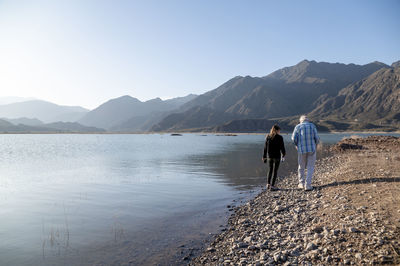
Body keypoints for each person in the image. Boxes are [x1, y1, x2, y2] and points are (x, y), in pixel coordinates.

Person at [291, 115, 320, 191]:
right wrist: (315, 145)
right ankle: (308, 185)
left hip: (301, 150)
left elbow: (293, 138)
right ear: (308, 120)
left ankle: (301, 183)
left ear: (301, 120)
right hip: (312, 149)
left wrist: (297, 145)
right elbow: (317, 138)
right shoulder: (312, 126)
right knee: (310, 167)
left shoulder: (298, 127)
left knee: (301, 167)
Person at [262, 124, 286, 191]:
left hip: (269, 157)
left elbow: (265, 148)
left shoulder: (268, 137)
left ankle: (268, 184)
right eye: (279, 130)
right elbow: (282, 147)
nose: (279, 132)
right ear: (277, 130)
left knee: (270, 170)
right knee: (275, 171)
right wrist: (284, 154)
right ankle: (272, 185)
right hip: (277, 157)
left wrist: (264, 156)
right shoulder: (280, 137)